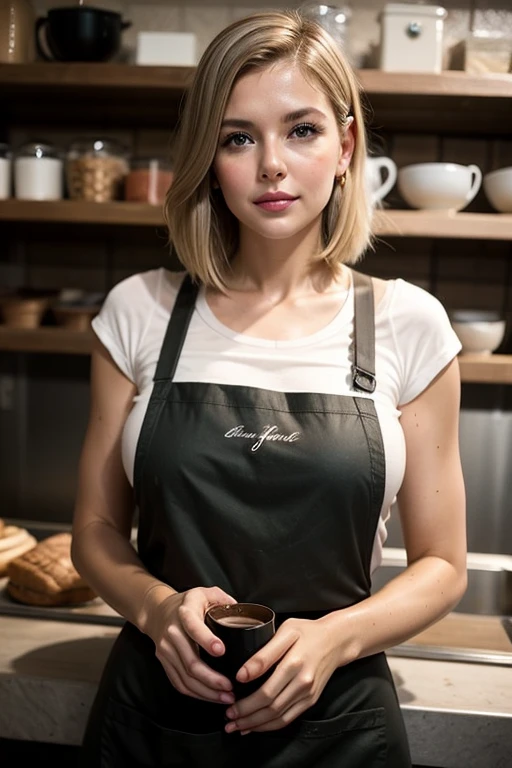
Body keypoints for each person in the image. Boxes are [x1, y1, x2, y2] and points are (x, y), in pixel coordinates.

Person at [71, 9, 467, 767]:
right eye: (238, 137)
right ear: (209, 158)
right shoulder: (139, 310)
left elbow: (444, 563)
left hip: (340, 723)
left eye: (303, 130)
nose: (272, 165)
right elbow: (92, 531)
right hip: (155, 718)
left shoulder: (408, 324)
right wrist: (157, 609)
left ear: (346, 146)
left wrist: (332, 638)